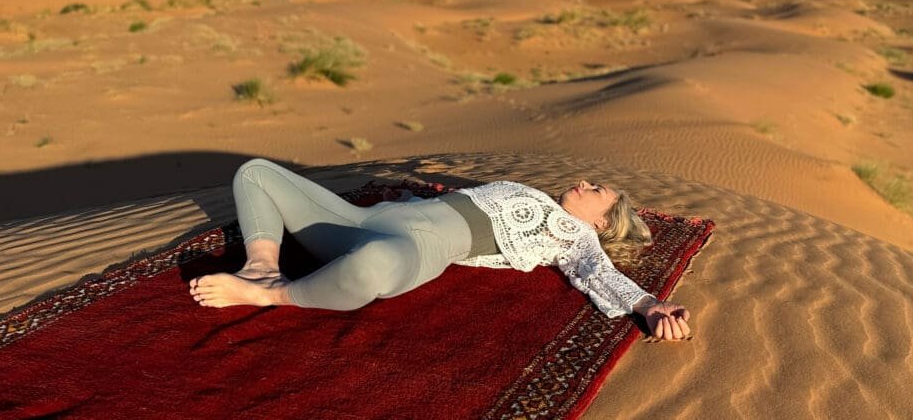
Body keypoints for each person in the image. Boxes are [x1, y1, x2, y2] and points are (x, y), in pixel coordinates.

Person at [189, 158, 692, 341]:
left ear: (603, 221)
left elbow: (596, 272)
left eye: (596, 189)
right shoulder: (533, 195)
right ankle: (260, 266)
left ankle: (273, 293)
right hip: (361, 221)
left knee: (371, 267)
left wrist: (648, 305)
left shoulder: (575, 236)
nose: (583, 182)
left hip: (412, 248)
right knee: (255, 172)